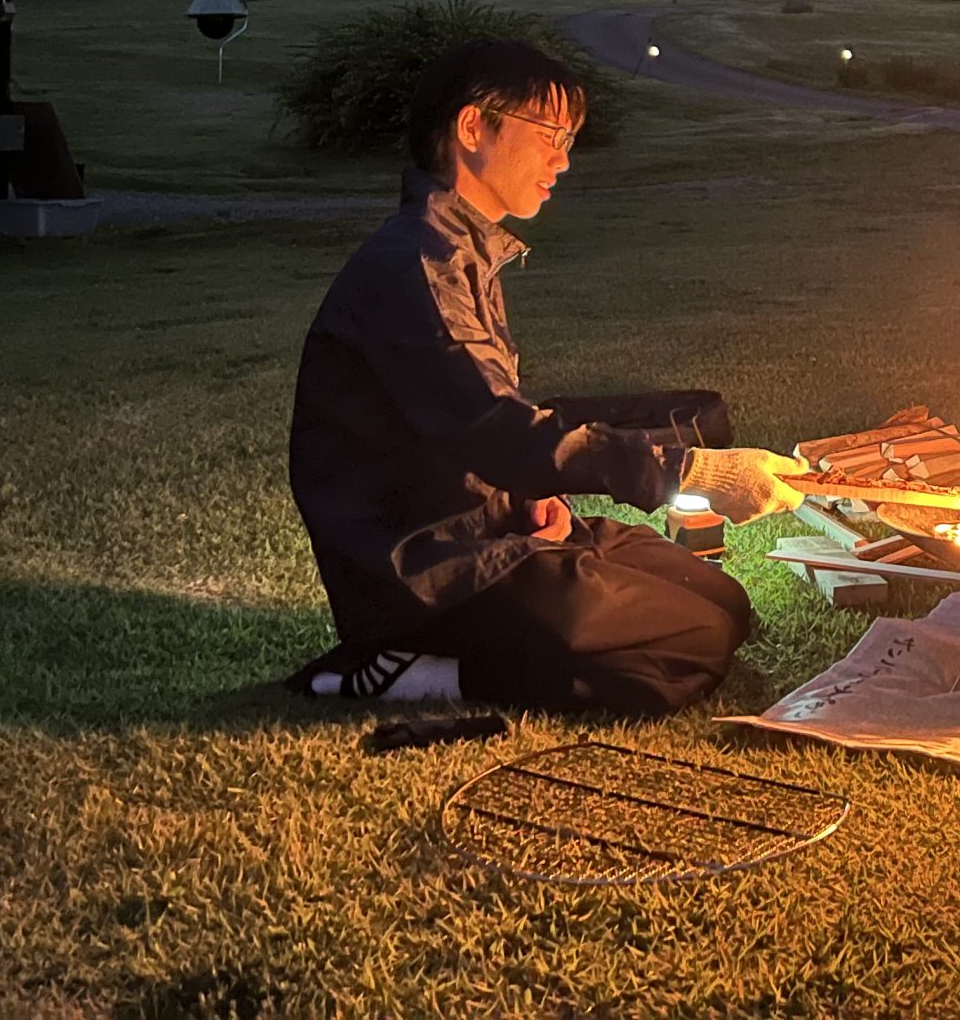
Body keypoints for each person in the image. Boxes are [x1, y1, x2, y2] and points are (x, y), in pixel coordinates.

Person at [286, 39, 803, 711]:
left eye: (569, 139)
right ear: (474, 128)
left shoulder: (461, 250)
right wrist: (694, 473)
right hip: (430, 570)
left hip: (488, 527)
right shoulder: (416, 264)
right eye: (550, 135)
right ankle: (410, 669)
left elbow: (471, 427)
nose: (563, 159)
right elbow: (496, 431)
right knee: (692, 641)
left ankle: (502, 630)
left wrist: (526, 498)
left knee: (723, 600)